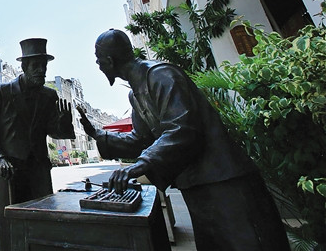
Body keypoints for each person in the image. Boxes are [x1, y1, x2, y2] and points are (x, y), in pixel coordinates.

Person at [77, 28, 290, 251]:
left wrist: (138, 166)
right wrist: (97, 134)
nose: (98, 65)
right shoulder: (135, 93)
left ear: (110, 61)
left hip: (224, 181)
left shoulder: (161, 75)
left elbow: (182, 129)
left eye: (98, 60)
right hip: (195, 186)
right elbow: (141, 140)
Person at [0, 38, 75, 251]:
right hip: (10, 170)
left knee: (42, 223)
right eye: (36, 66)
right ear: (24, 67)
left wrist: (64, 124)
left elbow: (53, 131)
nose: (41, 71)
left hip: (39, 169)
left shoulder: (49, 95)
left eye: (44, 66)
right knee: (10, 227)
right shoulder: (2, 91)